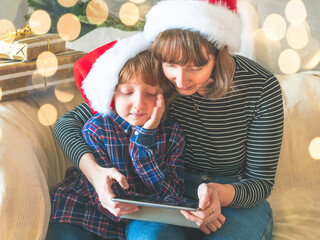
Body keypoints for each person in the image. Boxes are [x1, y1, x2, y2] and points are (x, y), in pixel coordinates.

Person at [53, 0, 284, 239]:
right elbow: (67, 124)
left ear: (219, 51)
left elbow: (261, 182)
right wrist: (95, 173)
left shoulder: (261, 87)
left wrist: (218, 192)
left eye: (196, 66)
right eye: (171, 64)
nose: (180, 80)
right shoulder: (157, 78)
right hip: (165, 196)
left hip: (233, 196)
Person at [47, 33, 191, 240]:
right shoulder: (96, 129)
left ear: (164, 96)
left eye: (150, 93)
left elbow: (171, 196)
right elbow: (108, 198)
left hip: (124, 222)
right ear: (112, 94)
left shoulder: (173, 135)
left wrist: (144, 143)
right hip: (80, 210)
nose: (138, 104)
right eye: (127, 92)